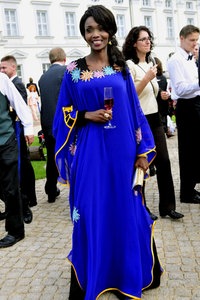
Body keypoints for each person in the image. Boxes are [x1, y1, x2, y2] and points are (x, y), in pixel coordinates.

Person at [53, 5, 162, 300]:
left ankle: (127, 275)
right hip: (90, 153)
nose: (95, 34)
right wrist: (85, 114)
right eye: (89, 30)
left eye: (100, 28)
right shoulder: (73, 71)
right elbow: (62, 112)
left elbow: (135, 111)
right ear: (84, 34)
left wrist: (142, 150)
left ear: (110, 31)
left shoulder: (121, 68)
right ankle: (92, 277)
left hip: (122, 153)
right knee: (89, 211)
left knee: (125, 210)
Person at [122, 25, 184, 220]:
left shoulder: (149, 62)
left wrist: (162, 95)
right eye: (143, 39)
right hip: (139, 120)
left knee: (164, 161)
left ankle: (167, 207)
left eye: (149, 38)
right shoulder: (129, 65)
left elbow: (150, 94)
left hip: (155, 118)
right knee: (142, 164)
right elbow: (129, 96)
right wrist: (148, 77)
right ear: (134, 43)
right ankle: (141, 209)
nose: (148, 41)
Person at [0, 55, 37, 223]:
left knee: (18, 174)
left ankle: (23, 205)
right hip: (11, 132)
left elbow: (19, 108)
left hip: (12, 133)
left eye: (4, 67)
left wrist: (28, 130)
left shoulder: (12, 83)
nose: (2, 70)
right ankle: (14, 206)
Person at [167, 25, 200, 204]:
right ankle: (186, 193)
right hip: (186, 107)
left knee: (196, 149)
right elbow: (180, 88)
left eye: (197, 40)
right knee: (187, 150)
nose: (195, 44)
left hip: (195, 104)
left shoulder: (191, 58)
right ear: (181, 38)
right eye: (192, 40)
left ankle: (192, 187)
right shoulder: (175, 60)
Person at [38, 47, 66, 203]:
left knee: (51, 158)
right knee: (71, 155)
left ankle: (50, 190)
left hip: (48, 124)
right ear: (64, 58)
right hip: (63, 123)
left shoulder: (43, 77)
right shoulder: (65, 73)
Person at [154, 57, 175, 138]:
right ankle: (165, 130)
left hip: (157, 104)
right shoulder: (163, 78)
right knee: (163, 120)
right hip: (163, 104)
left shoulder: (156, 78)